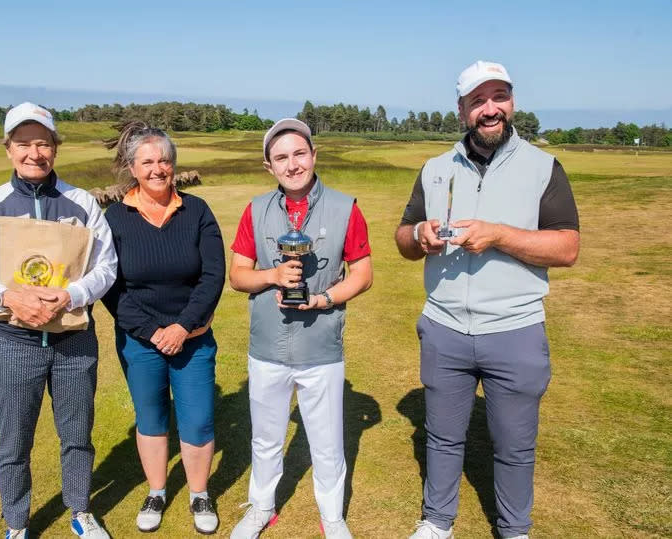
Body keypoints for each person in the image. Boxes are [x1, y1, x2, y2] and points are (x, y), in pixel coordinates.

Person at [395, 61, 580, 539]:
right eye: (478, 101)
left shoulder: (544, 168)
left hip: (515, 329)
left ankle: (514, 529)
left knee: (515, 444)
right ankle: (437, 522)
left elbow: (567, 248)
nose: (490, 109)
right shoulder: (435, 169)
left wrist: (498, 235)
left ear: (512, 102)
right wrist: (420, 234)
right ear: (462, 110)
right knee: (441, 437)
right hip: (444, 327)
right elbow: (402, 238)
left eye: (498, 97)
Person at [0, 102, 117, 539]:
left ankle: (80, 510)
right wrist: (9, 297)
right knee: (13, 442)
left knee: (77, 434)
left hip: (73, 342)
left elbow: (106, 269)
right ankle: (16, 523)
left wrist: (71, 294)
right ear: (8, 148)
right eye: (24, 143)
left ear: (55, 149)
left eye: (43, 143)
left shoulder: (82, 202)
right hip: (13, 342)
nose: (34, 152)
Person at [228, 119, 373, 539]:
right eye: (281, 158)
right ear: (268, 166)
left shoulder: (346, 208)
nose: (292, 165)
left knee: (327, 443)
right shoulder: (255, 210)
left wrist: (324, 299)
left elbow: (362, 275)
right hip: (267, 346)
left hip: (321, 345)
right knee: (266, 438)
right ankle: (261, 508)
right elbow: (238, 276)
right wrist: (273, 276)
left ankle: (331, 516)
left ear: (313, 155)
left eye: (299, 154)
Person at [101, 122, 225, 535]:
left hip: (192, 338)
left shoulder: (198, 211)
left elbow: (212, 276)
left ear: (174, 165)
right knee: (151, 417)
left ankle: (199, 493)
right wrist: (155, 331)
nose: (158, 169)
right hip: (140, 340)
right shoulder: (115, 217)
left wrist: (183, 326)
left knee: (198, 420)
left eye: (165, 160)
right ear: (132, 168)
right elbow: (112, 286)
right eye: (148, 162)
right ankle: (157, 490)